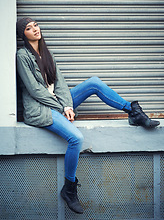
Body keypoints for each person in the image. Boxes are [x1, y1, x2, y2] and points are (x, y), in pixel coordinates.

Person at [16, 17, 160, 214]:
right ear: (22, 34)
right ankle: (69, 188)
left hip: (58, 103)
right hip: (41, 108)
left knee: (93, 82)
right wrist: (61, 107)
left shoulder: (47, 53)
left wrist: (67, 104)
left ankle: (132, 111)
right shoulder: (23, 55)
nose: (35, 29)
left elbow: (60, 84)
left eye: (36, 25)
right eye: (28, 28)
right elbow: (34, 90)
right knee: (76, 138)